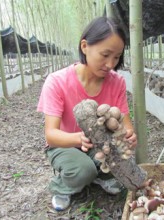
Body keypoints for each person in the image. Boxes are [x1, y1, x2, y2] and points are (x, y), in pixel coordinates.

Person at [37, 16, 137, 211]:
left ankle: (102, 175)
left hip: (99, 143)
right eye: (105, 54)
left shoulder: (117, 82)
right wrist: (78, 139)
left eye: (116, 57)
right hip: (65, 143)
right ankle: (62, 186)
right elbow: (51, 135)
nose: (110, 63)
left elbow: (125, 123)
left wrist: (129, 135)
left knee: (122, 156)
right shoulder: (57, 82)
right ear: (85, 46)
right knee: (83, 170)